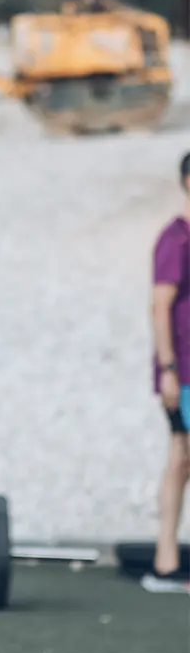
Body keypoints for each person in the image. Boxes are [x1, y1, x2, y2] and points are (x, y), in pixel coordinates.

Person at [142, 151, 190, 594]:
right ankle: (166, 561)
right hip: (186, 370)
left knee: (181, 455)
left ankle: (168, 560)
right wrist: (168, 370)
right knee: (181, 454)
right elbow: (159, 306)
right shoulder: (175, 240)